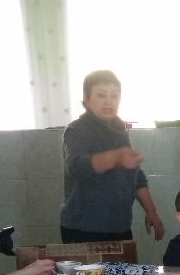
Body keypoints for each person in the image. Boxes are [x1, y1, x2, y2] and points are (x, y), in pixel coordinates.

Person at [60, 69, 165, 244]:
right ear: (86, 99)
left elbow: (135, 175)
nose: (109, 101)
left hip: (119, 226)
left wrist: (151, 211)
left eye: (114, 96)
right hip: (82, 229)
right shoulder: (77, 129)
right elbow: (76, 167)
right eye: (101, 95)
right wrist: (115, 158)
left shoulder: (119, 129)